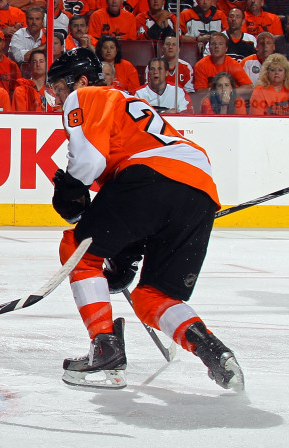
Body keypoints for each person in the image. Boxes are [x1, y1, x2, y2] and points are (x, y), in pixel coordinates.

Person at [45, 47, 244, 392]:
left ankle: (104, 348)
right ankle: (214, 351)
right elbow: (134, 201)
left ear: (79, 80)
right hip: (198, 191)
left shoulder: (87, 95)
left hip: (150, 177)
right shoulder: (128, 103)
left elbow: (89, 161)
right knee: (154, 296)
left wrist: (71, 187)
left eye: (59, 88)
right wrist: (127, 252)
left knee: (78, 249)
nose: (58, 97)